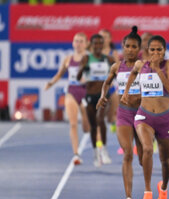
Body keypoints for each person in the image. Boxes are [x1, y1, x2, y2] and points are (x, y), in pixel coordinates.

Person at [121, 35, 169, 199]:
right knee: (146, 149)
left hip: (164, 118)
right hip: (144, 116)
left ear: (164, 51)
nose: (155, 53)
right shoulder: (140, 65)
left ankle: (164, 188)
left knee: (165, 160)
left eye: (159, 49)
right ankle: (147, 191)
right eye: (152, 49)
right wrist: (126, 92)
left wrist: (157, 70)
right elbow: (133, 75)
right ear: (147, 50)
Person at [97, 26, 143, 199]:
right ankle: (128, 197)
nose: (130, 49)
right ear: (123, 47)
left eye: (134, 47)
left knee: (143, 156)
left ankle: (148, 185)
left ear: (139, 49)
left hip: (141, 114)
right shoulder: (117, 66)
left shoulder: (143, 66)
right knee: (127, 154)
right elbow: (107, 82)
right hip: (123, 113)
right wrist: (103, 95)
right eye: (127, 46)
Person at [45, 32, 90, 165]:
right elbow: (59, 75)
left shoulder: (90, 58)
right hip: (72, 91)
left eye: (81, 41)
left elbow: (98, 76)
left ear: (86, 44)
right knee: (73, 123)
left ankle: (84, 113)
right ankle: (76, 154)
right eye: (76, 41)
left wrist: (87, 79)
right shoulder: (68, 59)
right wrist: (50, 83)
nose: (78, 44)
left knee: (87, 128)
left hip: (86, 92)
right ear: (72, 43)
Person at [77, 34, 115, 167]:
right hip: (89, 96)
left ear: (103, 45)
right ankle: (95, 153)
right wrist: (83, 68)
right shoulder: (87, 58)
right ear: (91, 45)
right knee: (93, 126)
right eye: (95, 43)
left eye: (100, 43)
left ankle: (104, 150)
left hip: (103, 96)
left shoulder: (108, 59)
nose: (98, 46)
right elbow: (78, 76)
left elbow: (117, 72)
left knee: (100, 120)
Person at [99, 29, 119, 133]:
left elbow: (119, 70)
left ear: (109, 39)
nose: (102, 39)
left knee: (111, 116)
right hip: (97, 87)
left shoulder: (113, 53)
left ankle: (112, 121)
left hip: (110, 86)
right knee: (99, 116)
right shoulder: (93, 53)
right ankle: (99, 142)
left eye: (105, 37)